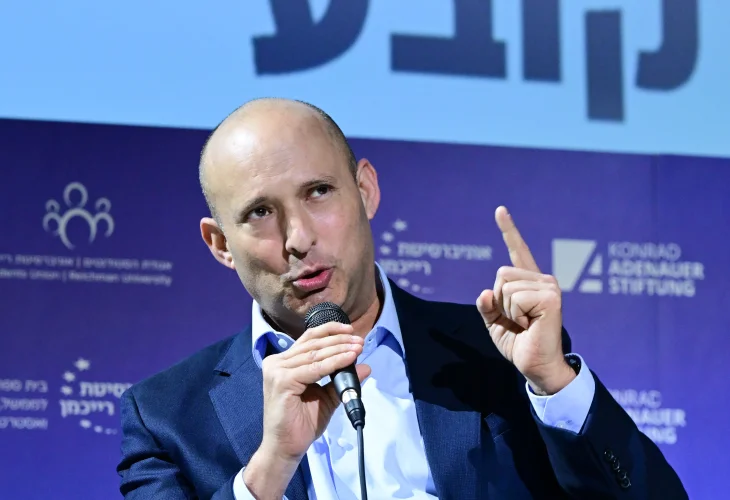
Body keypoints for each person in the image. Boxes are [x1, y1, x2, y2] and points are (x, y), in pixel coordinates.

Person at [117, 97, 688, 499]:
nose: (298, 238)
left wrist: (554, 383)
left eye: (319, 192)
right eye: (261, 212)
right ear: (221, 244)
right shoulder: (166, 416)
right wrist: (269, 469)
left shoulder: (499, 354)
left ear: (365, 190)